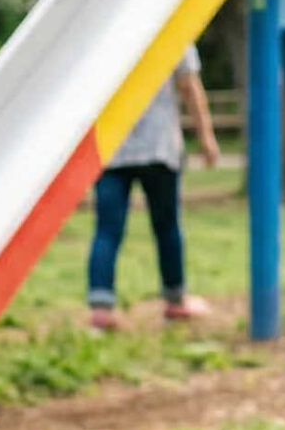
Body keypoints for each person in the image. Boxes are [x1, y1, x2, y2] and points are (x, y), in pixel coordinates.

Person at [87, 51, 220, 330]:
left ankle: (101, 307)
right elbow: (189, 86)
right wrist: (206, 137)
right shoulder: (170, 30)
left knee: (107, 229)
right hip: (159, 145)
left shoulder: (103, 36)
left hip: (112, 146)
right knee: (167, 225)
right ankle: (175, 299)